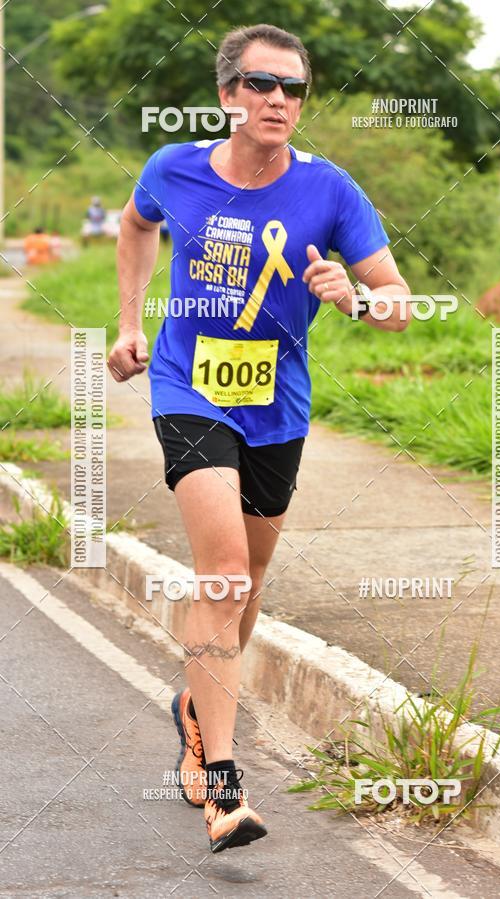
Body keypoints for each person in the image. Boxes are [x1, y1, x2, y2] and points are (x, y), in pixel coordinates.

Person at [108, 23, 411, 854]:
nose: (280, 100)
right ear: (228, 96)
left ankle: (194, 709)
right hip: (188, 388)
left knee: (249, 582)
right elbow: (135, 227)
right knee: (225, 573)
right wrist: (130, 325)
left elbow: (399, 302)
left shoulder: (331, 190)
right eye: (262, 84)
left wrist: (352, 295)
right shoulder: (173, 169)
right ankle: (226, 785)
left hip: (277, 404)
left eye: (294, 88)